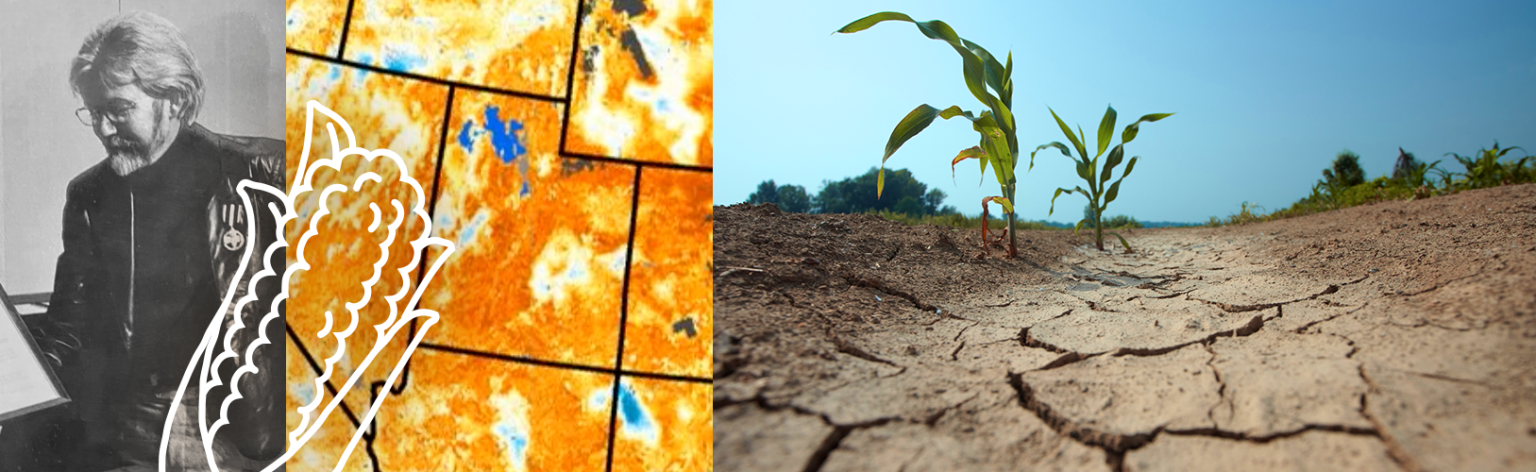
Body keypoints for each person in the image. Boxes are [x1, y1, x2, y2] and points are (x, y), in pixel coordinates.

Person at [1, 11, 285, 471]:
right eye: (94, 113)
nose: (104, 130)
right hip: (131, 420)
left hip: (238, 422)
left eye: (118, 109)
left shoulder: (264, 174)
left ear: (173, 98)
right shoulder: (89, 196)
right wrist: (17, 385)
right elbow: (67, 328)